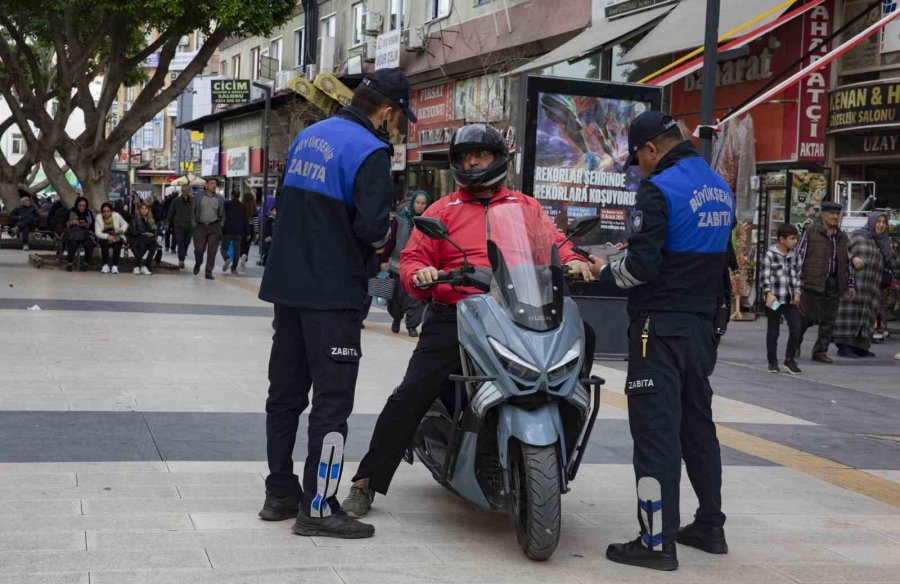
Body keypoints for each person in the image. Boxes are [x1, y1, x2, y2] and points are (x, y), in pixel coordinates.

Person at [340, 123, 594, 521]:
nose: (472, 163)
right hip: (457, 314)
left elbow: (555, 243)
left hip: (518, 311)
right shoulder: (443, 210)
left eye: (481, 155)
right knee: (412, 393)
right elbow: (412, 259)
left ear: (499, 159)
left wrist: (575, 259)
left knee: (584, 339)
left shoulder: (525, 207)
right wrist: (420, 274)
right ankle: (366, 481)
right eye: (464, 157)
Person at [257, 68, 415, 539]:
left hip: (288, 288)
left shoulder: (309, 136)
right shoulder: (370, 150)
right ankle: (320, 506)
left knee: (284, 395)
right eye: (396, 117)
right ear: (386, 111)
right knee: (331, 404)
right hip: (333, 296)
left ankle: (280, 493)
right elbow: (372, 228)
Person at [588, 112, 733, 571]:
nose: (640, 169)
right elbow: (718, 258)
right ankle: (710, 526)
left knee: (654, 432)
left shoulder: (658, 190)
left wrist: (601, 272)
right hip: (701, 327)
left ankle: (655, 542)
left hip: (658, 328)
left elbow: (642, 268)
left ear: (652, 149)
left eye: (639, 159)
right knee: (697, 425)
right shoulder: (718, 185)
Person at [833, 212, 899, 358]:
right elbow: (841, 250)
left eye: (883, 222)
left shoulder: (884, 242)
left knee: (868, 315)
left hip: (872, 287)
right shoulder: (857, 236)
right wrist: (853, 258)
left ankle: (860, 346)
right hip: (854, 284)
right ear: (871, 222)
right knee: (850, 313)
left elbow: (894, 263)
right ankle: (844, 346)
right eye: (878, 221)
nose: (881, 225)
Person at [796, 202, 856, 363]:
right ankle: (795, 342)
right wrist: (795, 281)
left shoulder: (843, 237)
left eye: (838, 214)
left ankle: (820, 351)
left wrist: (850, 284)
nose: (835, 217)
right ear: (823, 214)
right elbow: (799, 256)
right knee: (807, 316)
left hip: (834, 282)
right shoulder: (810, 231)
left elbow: (846, 262)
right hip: (811, 281)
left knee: (829, 320)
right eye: (831, 213)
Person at [382, 191, 429, 337]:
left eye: (423, 203)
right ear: (413, 202)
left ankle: (412, 325)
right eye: (417, 202)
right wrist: (384, 258)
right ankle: (396, 318)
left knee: (416, 299)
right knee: (396, 298)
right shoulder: (400, 218)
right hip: (398, 265)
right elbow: (392, 240)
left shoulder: (429, 221)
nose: (420, 206)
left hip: (419, 266)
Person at [760, 224, 803, 374]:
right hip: (775, 299)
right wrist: (768, 292)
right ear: (782, 240)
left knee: (796, 327)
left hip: (790, 300)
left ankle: (789, 359)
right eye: (792, 238)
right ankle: (772, 362)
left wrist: (798, 292)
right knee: (773, 330)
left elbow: (798, 275)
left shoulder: (795, 255)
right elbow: (765, 276)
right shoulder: (770, 255)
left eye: (795, 238)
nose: (795, 241)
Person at [193, 177, 226, 280]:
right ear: (206, 185)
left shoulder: (219, 199)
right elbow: (193, 212)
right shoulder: (198, 197)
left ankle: (209, 272)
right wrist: (194, 224)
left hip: (214, 226)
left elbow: (223, 214)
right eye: (211, 183)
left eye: (215, 184)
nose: (214, 185)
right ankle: (198, 263)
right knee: (199, 249)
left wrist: (221, 224)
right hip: (201, 226)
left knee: (212, 251)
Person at [166, 186, 196, 269]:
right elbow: (171, 212)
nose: (184, 190)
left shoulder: (193, 201)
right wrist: (168, 223)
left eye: (186, 189)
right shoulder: (176, 201)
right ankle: (181, 260)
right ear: (182, 191)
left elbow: (197, 212)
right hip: (178, 226)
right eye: (183, 189)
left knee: (186, 243)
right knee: (180, 242)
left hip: (189, 226)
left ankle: (183, 255)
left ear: (189, 191)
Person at [94, 202, 128, 274]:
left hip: (116, 235)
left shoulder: (117, 216)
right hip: (104, 236)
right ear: (102, 212)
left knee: (118, 244)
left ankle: (114, 265)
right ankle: (105, 264)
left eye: (108, 211)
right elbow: (97, 233)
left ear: (111, 211)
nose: (106, 213)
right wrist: (107, 236)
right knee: (103, 243)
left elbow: (125, 224)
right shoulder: (98, 217)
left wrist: (122, 229)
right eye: (104, 211)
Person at [221, 189, 250, 274]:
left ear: (232, 195)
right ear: (239, 195)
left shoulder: (226, 204)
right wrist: (247, 232)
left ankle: (227, 258)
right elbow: (245, 220)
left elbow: (223, 216)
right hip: (239, 231)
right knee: (237, 250)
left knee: (223, 248)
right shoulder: (243, 206)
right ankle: (234, 268)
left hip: (228, 230)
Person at [65, 196, 96, 272]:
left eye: (84, 206)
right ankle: (70, 263)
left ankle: (85, 263)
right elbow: (64, 224)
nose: (82, 207)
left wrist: (86, 224)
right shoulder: (71, 212)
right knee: (73, 243)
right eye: (80, 205)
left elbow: (92, 225)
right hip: (73, 233)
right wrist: (72, 222)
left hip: (85, 233)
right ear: (77, 205)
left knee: (89, 244)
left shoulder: (88, 213)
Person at [128, 201, 159, 275]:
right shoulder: (135, 218)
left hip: (147, 240)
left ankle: (144, 267)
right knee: (145, 242)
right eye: (142, 208)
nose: (144, 210)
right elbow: (132, 231)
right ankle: (138, 267)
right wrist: (143, 233)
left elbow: (153, 233)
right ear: (139, 209)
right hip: (136, 239)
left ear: (148, 210)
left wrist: (153, 233)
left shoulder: (150, 220)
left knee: (153, 245)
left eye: (146, 209)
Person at [241, 191, 258, 269]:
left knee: (242, 244)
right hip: (250, 228)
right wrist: (256, 232)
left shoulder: (241, 207)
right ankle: (245, 255)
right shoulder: (254, 208)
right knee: (247, 245)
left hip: (243, 228)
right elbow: (255, 221)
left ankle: (242, 255)